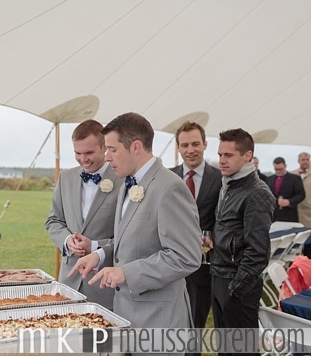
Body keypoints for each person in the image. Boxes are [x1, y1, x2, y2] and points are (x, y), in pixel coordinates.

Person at [68, 112, 200, 334]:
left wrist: (127, 273)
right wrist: (99, 255)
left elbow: (186, 256)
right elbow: (131, 241)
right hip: (125, 313)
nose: (107, 157)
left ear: (136, 146)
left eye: (112, 149)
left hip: (158, 320)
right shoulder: (126, 184)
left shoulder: (170, 188)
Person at [210, 129, 274, 355]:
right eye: (220, 155)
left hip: (237, 284)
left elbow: (258, 252)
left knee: (240, 351)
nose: (222, 161)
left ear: (247, 156)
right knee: (226, 350)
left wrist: (234, 289)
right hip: (219, 276)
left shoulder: (257, 193)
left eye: (228, 155)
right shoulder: (228, 184)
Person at [45, 119, 119, 310]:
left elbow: (127, 235)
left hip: (104, 283)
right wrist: (67, 240)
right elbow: (53, 221)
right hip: (69, 282)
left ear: (104, 147)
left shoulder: (122, 180)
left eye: (89, 153)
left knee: (102, 339)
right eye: (77, 153)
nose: (83, 159)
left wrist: (96, 246)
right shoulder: (66, 177)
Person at [170, 121, 222, 335]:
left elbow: (224, 219)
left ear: (205, 144)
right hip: (169, 264)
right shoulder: (167, 177)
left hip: (203, 266)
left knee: (195, 326)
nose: (190, 150)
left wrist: (213, 239)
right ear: (178, 147)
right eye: (185, 145)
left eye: (195, 144)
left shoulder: (220, 179)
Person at [265, 157, 305, 223]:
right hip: (272, 216)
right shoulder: (268, 179)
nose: (278, 171)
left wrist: (289, 202)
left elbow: (301, 194)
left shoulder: (295, 178)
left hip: (289, 216)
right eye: (276, 169)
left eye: (280, 169)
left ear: (285, 166)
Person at [292, 152, 311, 227]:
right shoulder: (292, 174)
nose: (305, 161)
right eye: (303, 159)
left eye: (307, 159)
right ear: (299, 161)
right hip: (295, 210)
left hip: (309, 209)